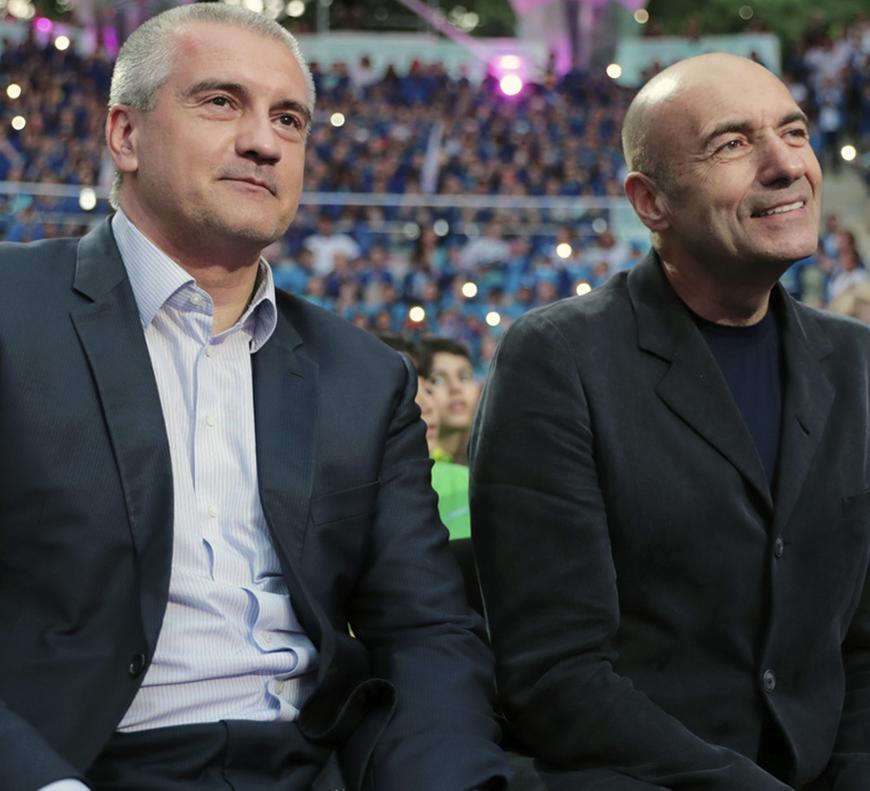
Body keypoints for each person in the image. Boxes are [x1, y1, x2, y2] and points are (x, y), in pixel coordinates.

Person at [0, 5, 510, 791]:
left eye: (289, 119)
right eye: (221, 101)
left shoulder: (364, 376)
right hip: (74, 762)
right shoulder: (13, 310)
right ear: (125, 135)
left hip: (313, 765)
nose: (264, 142)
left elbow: (426, 631)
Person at [470, 52, 870, 790]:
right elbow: (556, 673)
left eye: (794, 132)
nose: (787, 165)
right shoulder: (559, 359)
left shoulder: (857, 361)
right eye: (733, 143)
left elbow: (863, 644)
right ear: (651, 202)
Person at [421, 337, 480, 465]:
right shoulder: (417, 469)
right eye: (437, 380)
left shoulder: (491, 460)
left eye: (464, 377)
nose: (455, 388)